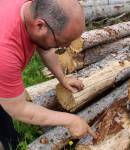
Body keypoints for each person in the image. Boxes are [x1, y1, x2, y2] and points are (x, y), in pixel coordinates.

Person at [0, 0, 97, 149]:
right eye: (62, 42)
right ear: (40, 25)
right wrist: (71, 120)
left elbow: (44, 47)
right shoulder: (5, 52)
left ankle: (11, 140)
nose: (65, 47)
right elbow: (19, 109)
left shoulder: (33, 8)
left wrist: (62, 78)